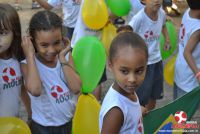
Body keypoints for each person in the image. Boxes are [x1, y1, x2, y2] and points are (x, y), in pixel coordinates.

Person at [20, 10, 82, 134]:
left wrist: (63, 58)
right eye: (44, 45)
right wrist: (30, 55)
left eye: (56, 43)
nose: (52, 50)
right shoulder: (27, 64)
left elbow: (76, 88)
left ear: (62, 39)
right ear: (32, 42)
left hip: (68, 124)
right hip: (43, 128)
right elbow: (35, 90)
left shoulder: (66, 57)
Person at [99, 32, 148, 134]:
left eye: (139, 71)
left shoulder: (127, 91)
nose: (132, 79)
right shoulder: (115, 112)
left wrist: (137, 112)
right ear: (110, 65)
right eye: (124, 71)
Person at [128, 0, 170, 111]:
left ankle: (150, 115)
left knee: (154, 94)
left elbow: (164, 25)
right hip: (143, 65)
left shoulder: (161, 13)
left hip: (157, 61)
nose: (157, 0)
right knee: (141, 97)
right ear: (143, 1)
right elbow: (127, 33)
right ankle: (139, 119)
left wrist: (167, 39)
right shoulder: (139, 18)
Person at [0, 3, 31, 119]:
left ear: (15, 33)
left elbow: (22, 88)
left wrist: (30, 115)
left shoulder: (18, 58)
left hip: (13, 121)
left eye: (3, 32)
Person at [174, 0, 200, 99]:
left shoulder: (188, 12)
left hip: (180, 71)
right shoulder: (198, 29)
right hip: (189, 79)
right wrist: (198, 74)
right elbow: (187, 53)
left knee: (178, 111)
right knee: (183, 112)